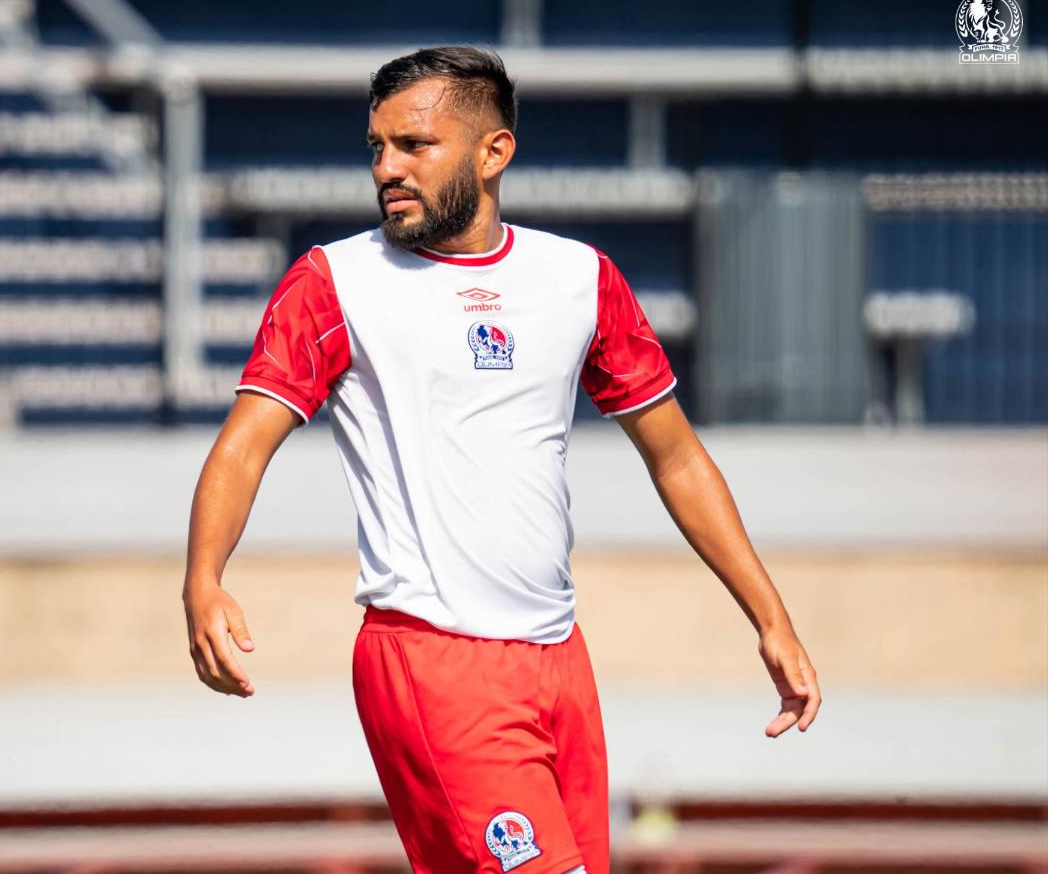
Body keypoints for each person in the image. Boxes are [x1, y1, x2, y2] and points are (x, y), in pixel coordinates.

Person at [182, 45, 822, 874]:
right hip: (431, 657)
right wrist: (204, 578)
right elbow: (243, 443)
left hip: (559, 661)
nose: (388, 169)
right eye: (376, 148)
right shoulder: (334, 281)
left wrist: (770, 616)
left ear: (494, 153)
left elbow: (678, 458)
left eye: (415, 145)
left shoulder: (580, 278)